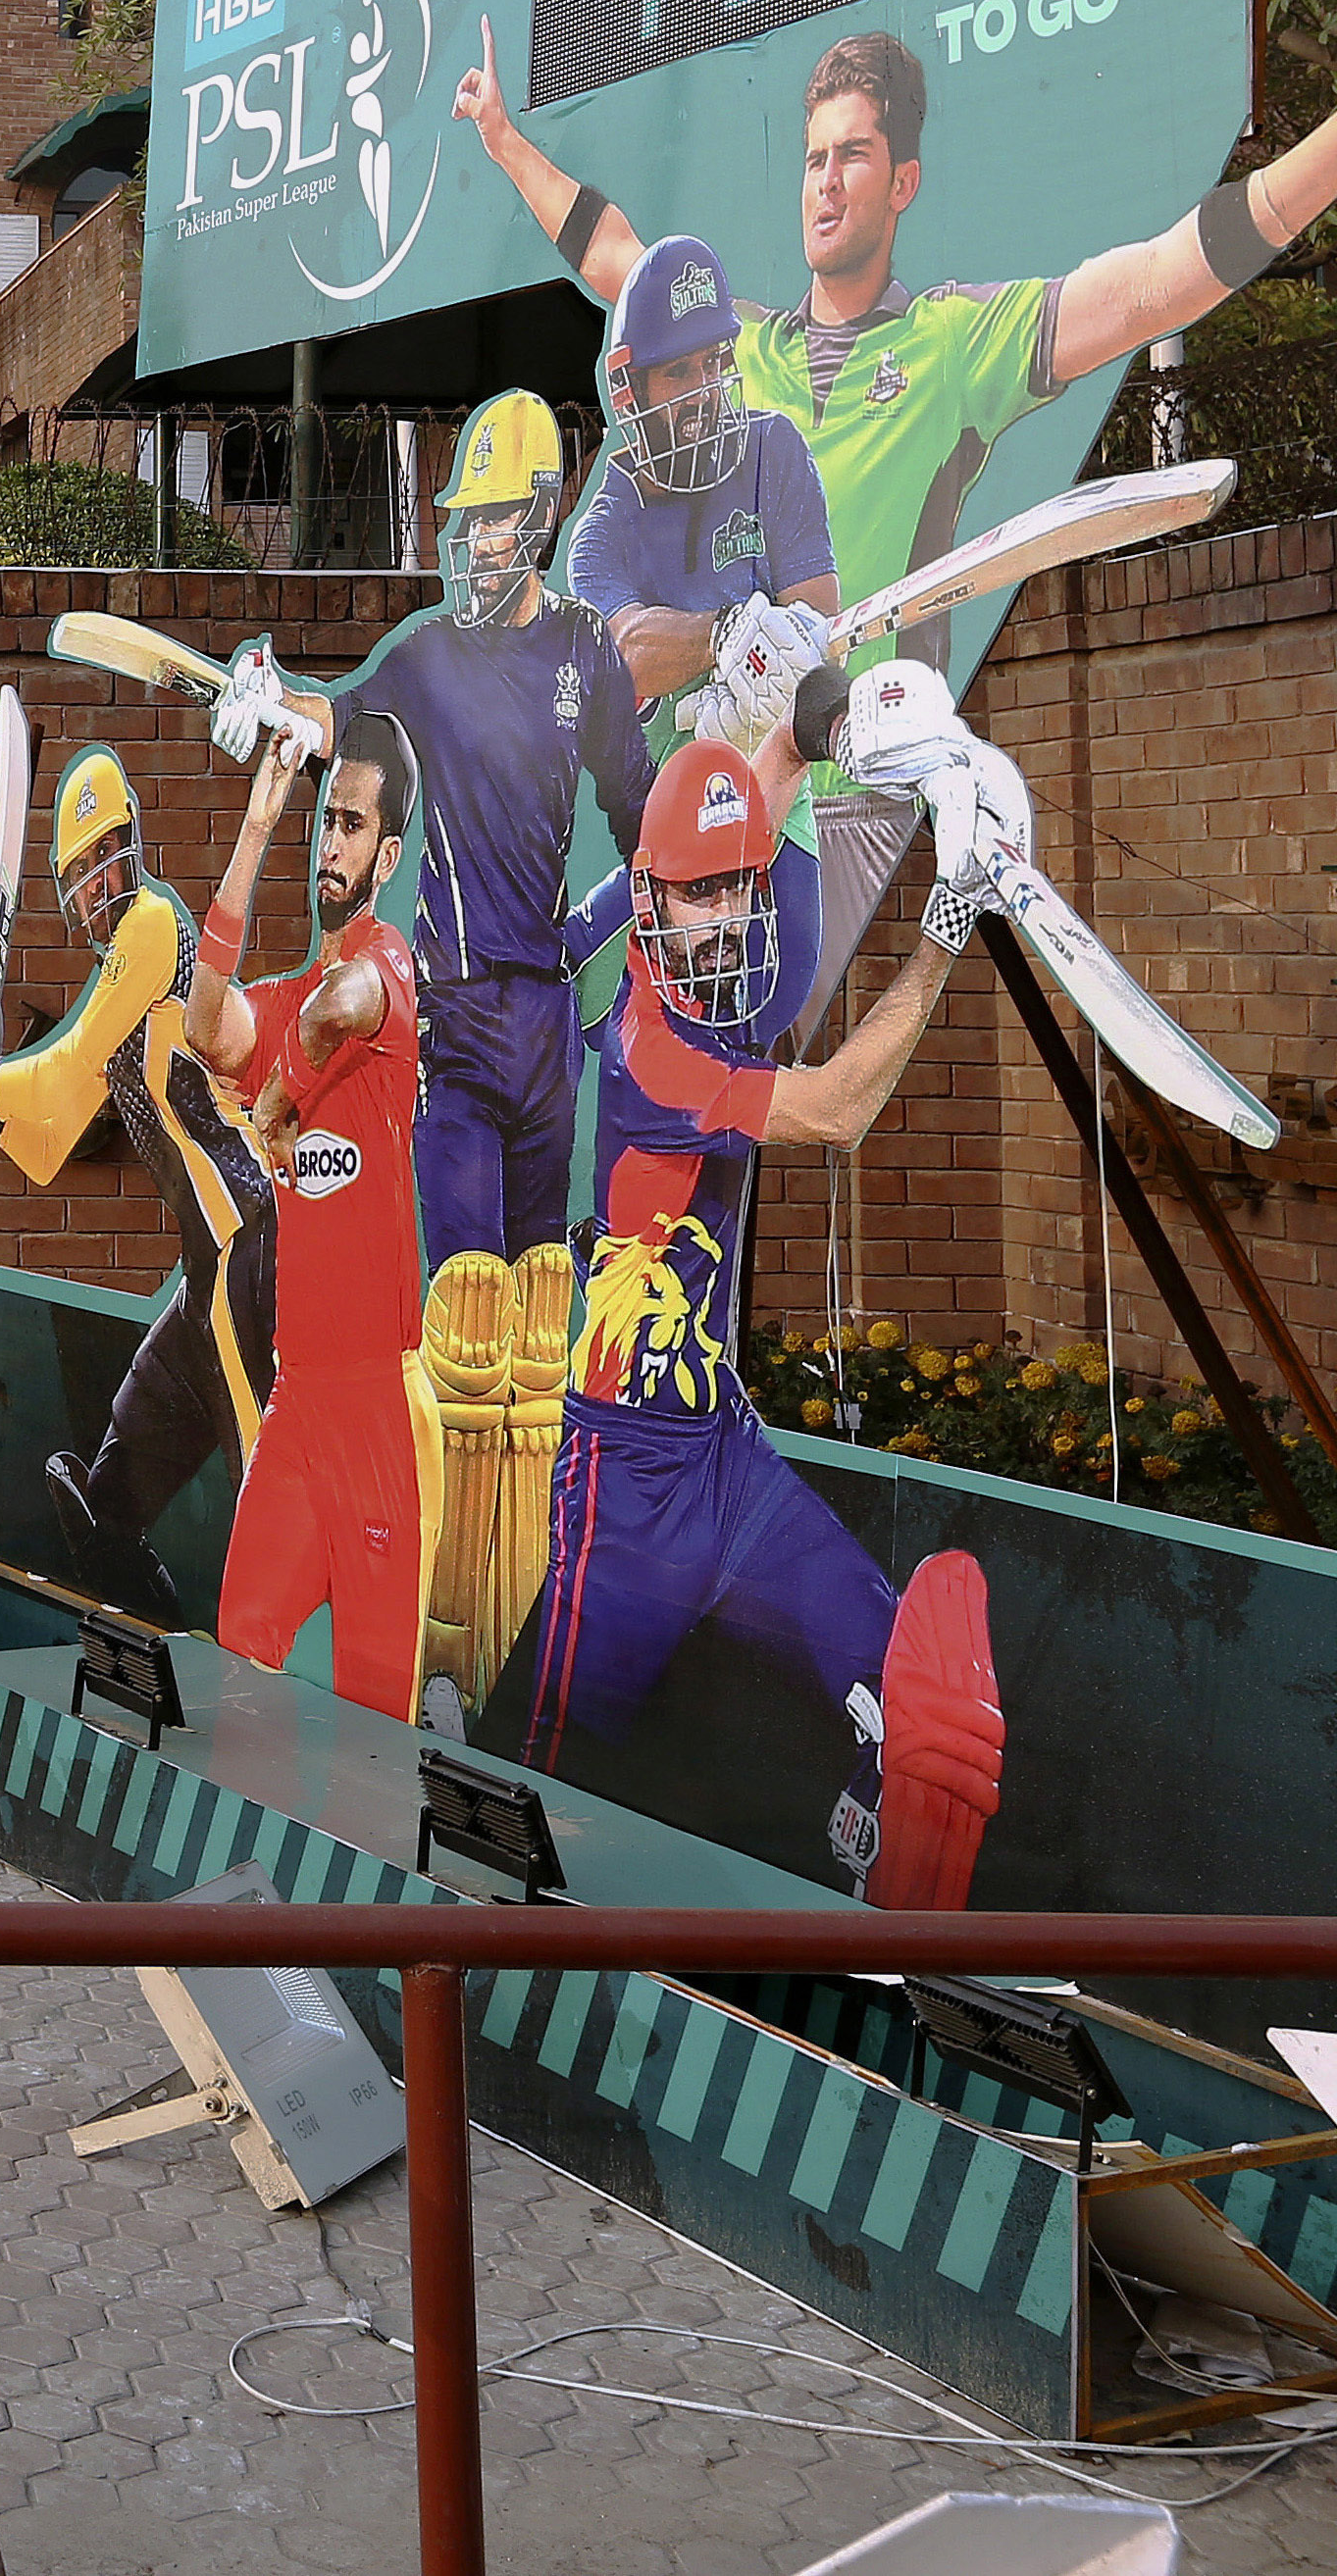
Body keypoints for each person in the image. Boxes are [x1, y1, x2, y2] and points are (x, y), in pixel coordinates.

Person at [464, 18, 1337, 990]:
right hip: (722, 793)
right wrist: (503, 141)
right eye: (813, 158)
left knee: (786, 1100)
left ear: (903, 184)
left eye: (854, 157)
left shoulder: (957, 342)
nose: (826, 181)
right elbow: (612, 249)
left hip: (858, 805)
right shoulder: (738, 353)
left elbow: (1153, 286)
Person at [508, 734, 1001, 1908]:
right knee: (525, 1804)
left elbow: (734, 816)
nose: (731, 919)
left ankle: (886, 1911)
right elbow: (836, 1111)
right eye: (704, 894)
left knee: (917, 1695)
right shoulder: (647, 1057)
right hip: (618, 1489)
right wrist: (946, 930)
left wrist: (801, 730)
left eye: (741, 887)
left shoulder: (700, 971)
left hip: (726, 1456)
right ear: (645, 904)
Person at [0, 732, 292, 1604]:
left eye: (112, 851)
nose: (105, 875)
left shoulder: (150, 926)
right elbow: (44, 1144)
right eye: (88, 863)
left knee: (269, 1490)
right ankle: (165, 1670)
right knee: (102, 1503)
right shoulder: (116, 980)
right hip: (208, 1262)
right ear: (68, 889)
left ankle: (292, 1700)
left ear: (135, 842)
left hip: (248, 1236)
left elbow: (63, 1067)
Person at [336, 389, 652, 1266]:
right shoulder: (427, 655)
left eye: (492, 520)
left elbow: (636, 806)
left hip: (546, 1014)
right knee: (468, 1293)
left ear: (542, 515)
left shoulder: (584, 645)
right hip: (454, 1008)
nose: (473, 542)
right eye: (466, 522)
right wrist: (268, 707)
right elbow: (339, 723)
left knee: (540, 1289)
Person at [185, 720, 432, 1709]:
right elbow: (207, 1024)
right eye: (325, 823)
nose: (331, 843)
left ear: (388, 853)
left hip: (380, 1413)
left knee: (379, 1718)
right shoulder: (284, 995)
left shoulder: (392, 967)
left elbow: (344, 1008)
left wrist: (281, 1102)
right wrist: (256, 827)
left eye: (352, 824)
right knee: (239, 1650)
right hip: (299, 1406)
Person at [553, 227, 837, 723]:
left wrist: (775, 687)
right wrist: (726, 635)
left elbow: (818, 619)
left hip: (779, 774)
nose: (703, 391)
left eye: (712, 363)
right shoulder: (601, 535)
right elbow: (629, 648)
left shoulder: (772, 452)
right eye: (678, 372)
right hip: (665, 788)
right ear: (630, 390)